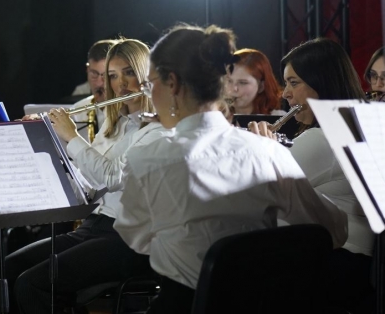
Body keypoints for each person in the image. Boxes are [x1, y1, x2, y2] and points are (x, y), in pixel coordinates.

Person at [114, 25, 348, 314]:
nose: (151, 94)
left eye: (151, 84)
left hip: (185, 303)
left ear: (172, 83)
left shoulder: (146, 157)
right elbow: (332, 230)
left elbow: (135, 237)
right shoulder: (269, 152)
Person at [0, 39, 165, 314]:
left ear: (146, 76)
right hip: (93, 226)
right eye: (113, 76)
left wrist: (71, 136)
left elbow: (112, 177)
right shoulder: (113, 125)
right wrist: (47, 142)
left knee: (32, 286)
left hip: (130, 239)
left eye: (129, 72)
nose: (121, 84)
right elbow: (87, 186)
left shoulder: (158, 129)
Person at [250, 38, 375, 313]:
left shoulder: (323, 137)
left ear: (322, 82)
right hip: (354, 263)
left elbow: (255, 192)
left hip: (336, 264)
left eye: (294, 83)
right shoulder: (350, 126)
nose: (286, 94)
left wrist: (260, 150)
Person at [225, 48, 284, 116]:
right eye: (229, 81)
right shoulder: (217, 116)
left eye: (242, 82)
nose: (233, 88)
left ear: (261, 86)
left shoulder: (278, 117)